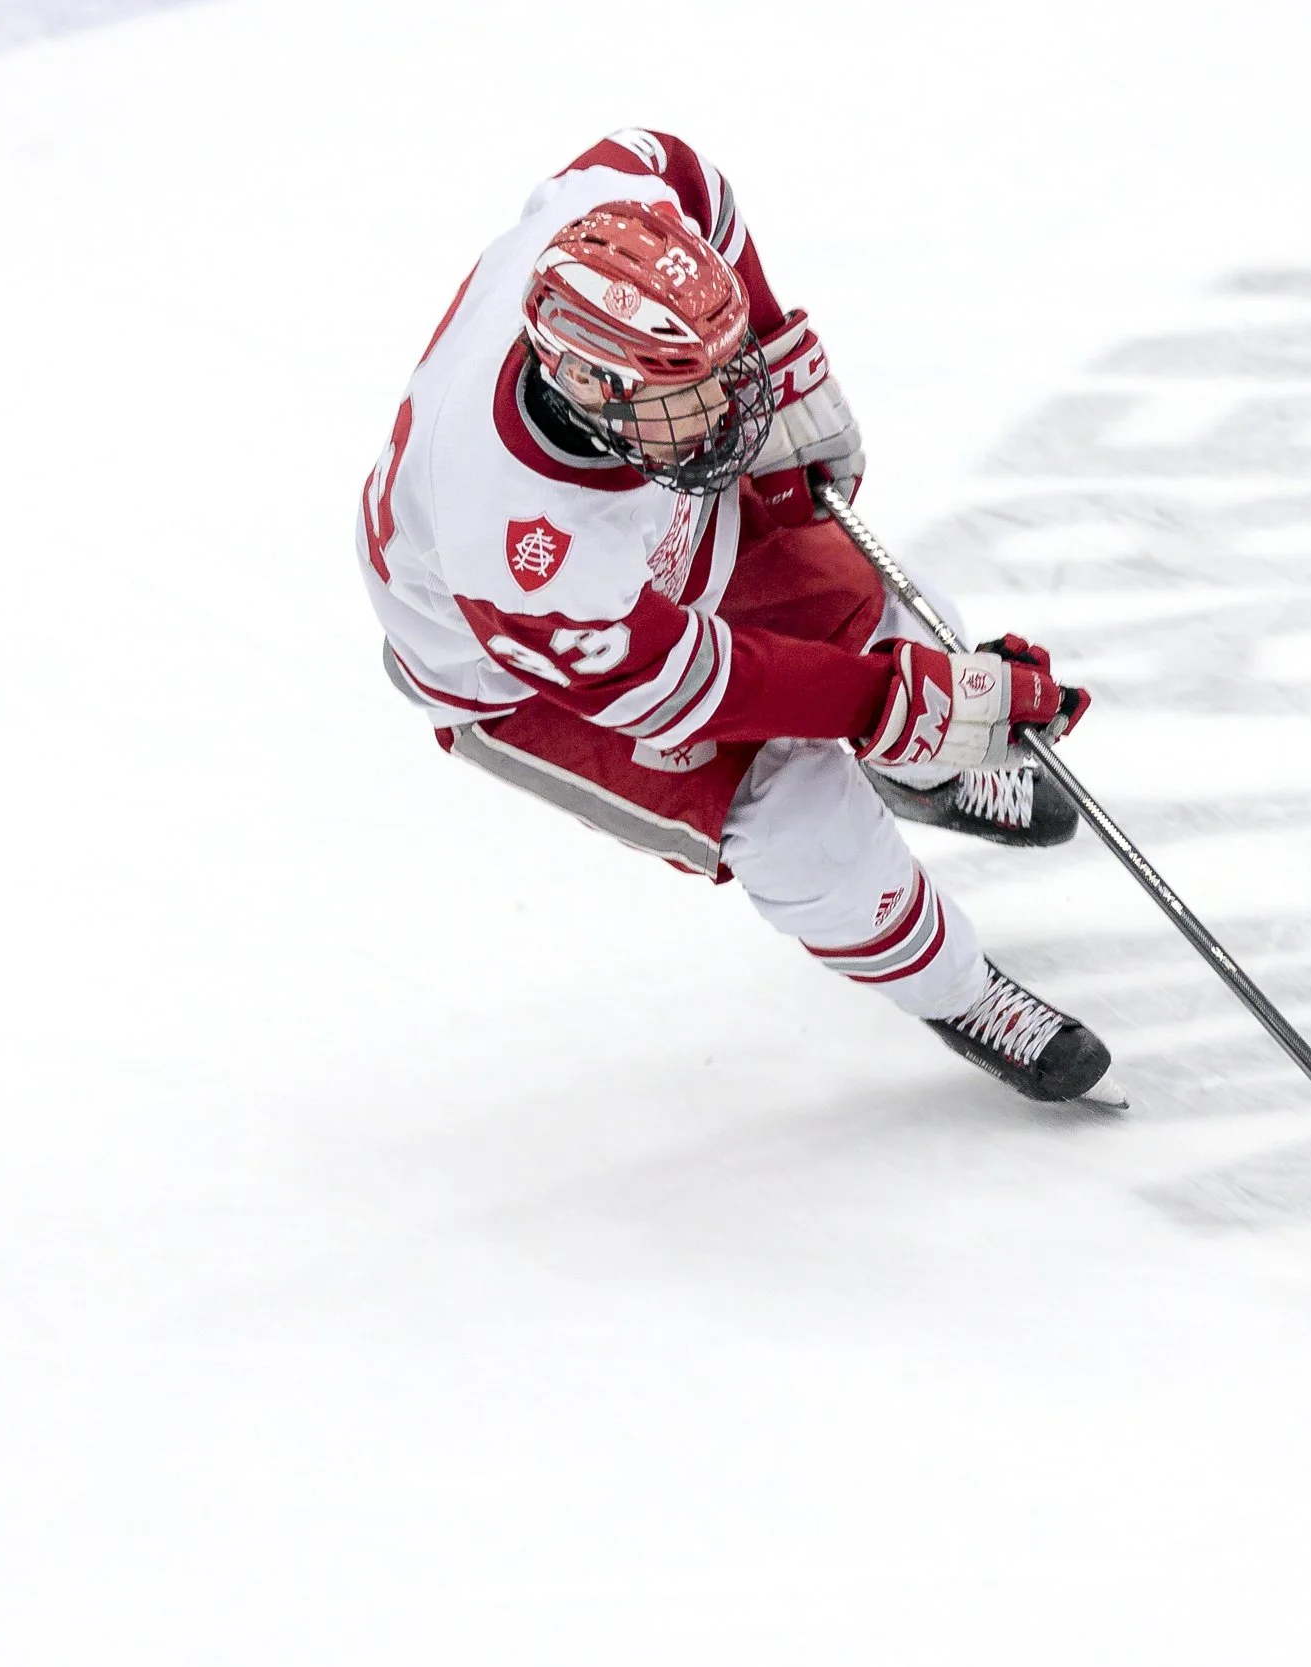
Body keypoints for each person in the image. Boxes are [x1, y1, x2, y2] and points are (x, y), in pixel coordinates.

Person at [355, 126, 1122, 1106]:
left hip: (651, 537)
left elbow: (669, 163)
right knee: (797, 818)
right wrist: (885, 703)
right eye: (695, 390)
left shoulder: (607, 239)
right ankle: (960, 992)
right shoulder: (519, 549)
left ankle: (926, 775)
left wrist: (771, 345)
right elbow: (686, 686)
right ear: (590, 384)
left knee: (891, 613)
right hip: (520, 675)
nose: (731, 407)